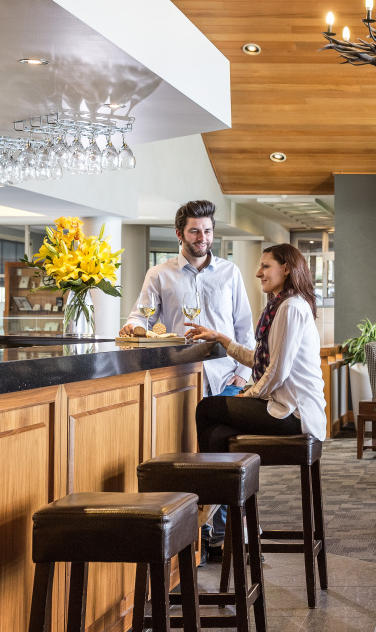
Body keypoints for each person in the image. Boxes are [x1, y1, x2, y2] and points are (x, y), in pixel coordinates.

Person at [120, 199, 255, 560]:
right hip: (179, 382)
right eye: (195, 231)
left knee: (223, 456)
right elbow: (141, 316)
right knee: (188, 455)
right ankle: (197, 534)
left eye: (207, 231)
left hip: (225, 378)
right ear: (179, 233)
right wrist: (134, 325)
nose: (202, 237)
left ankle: (223, 535)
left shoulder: (230, 273)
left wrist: (242, 374)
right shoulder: (159, 274)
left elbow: (245, 328)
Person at [186, 241, 326, 452]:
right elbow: (261, 360)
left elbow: (277, 371)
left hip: (295, 413)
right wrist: (219, 337)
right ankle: (227, 472)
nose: (258, 273)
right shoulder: (283, 305)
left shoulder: (290, 307)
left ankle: (212, 472)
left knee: (207, 408)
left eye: (266, 266)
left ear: (286, 269)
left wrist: (247, 395)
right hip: (286, 406)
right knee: (219, 432)